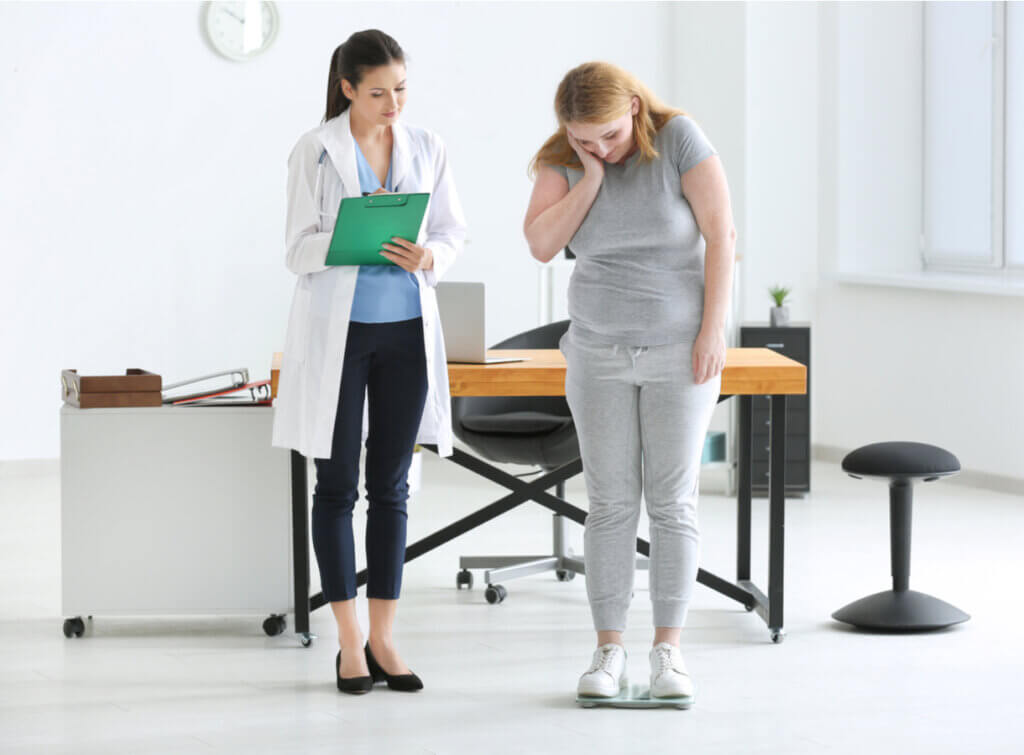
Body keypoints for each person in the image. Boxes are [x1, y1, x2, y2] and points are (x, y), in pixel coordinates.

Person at [523, 62, 736, 702]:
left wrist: (713, 331)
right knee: (611, 504)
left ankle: (668, 654)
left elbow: (722, 236)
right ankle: (607, 652)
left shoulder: (679, 140)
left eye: (609, 137)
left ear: (635, 112)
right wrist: (588, 177)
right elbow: (540, 243)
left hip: (679, 349)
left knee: (672, 504)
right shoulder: (564, 158)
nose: (600, 148)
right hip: (597, 350)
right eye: (584, 138)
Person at [272, 29, 466, 695]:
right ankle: (348, 642)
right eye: (379, 91)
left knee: (392, 486)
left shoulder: (427, 147)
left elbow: (450, 231)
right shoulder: (314, 151)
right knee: (336, 486)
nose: (393, 104)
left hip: (407, 333)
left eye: (402, 90)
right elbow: (296, 249)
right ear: (348, 87)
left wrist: (430, 256)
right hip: (341, 335)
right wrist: (351, 241)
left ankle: (386, 637)